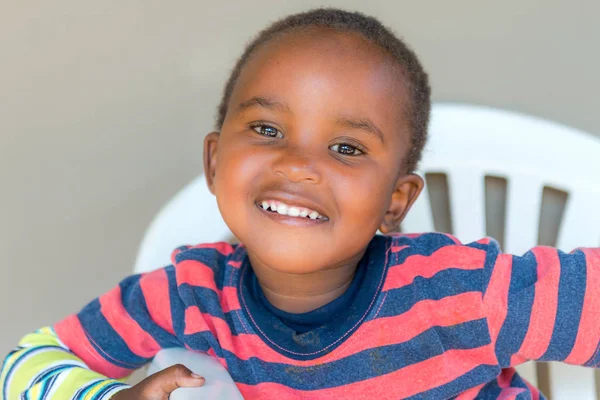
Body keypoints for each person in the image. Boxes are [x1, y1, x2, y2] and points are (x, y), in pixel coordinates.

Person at [1, 8, 598, 400]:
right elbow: (24, 365)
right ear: (214, 162)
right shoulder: (189, 292)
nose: (296, 164)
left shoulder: (460, 293)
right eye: (266, 130)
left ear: (396, 201)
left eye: (345, 146)